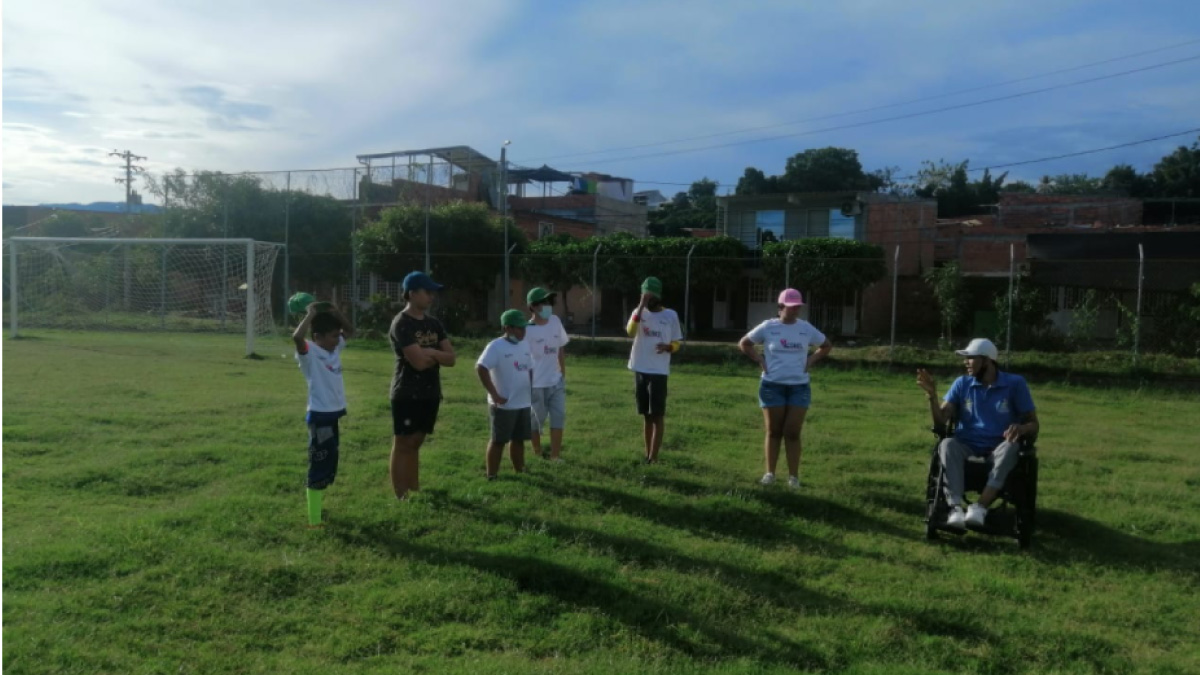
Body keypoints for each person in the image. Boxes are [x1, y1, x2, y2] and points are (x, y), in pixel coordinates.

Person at [916, 338, 1039, 529]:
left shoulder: (1015, 384)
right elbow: (941, 421)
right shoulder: (962, 384)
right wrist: (932, 397)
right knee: (947, 444)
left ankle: (980, 507)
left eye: (970, 358)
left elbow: (1033, 424)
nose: (966, 362)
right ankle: (955, 508)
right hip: (967, 443)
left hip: (999, 446)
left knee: (1010, 448)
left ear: (987, 361)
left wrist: (1021, 428)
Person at [738, 289, 832, 489]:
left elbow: (826, 345)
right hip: (772, 385)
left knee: (792, 431)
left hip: (799, 386)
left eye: (798, 306)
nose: (796, 309)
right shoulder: (768, 327)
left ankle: (793, 477)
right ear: (781, 307)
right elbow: (745, 344)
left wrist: (811, 360)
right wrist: (759, 359)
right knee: (773, 431)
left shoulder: (805, 328)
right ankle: (770, 473)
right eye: (791, 306)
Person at [388, 271, 456, 500]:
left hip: (430, 392)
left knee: (416, 442)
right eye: (427, 292)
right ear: (412, 293)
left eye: (433, 292)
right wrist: (435, 356)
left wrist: (432, 352)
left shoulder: (433, 323)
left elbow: (451, 358)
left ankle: (414, 489)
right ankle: (401, 495)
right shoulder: (401, 323)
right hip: (407, 393)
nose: (432, 297)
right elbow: (418, 363)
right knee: (403, 443)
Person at [292, 302, 355, 528]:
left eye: (338, 336)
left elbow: (351, 331)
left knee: (329, 460)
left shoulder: (334, 348)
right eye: (332, 336)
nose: (337, 340)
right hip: (320, 418)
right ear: (317, 337)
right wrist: (311, 314)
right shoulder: (310, 353)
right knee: (318, 464)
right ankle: (314, 518)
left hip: (333, 416)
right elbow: (297, 337)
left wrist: (337, 312)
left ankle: (318, 510)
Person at [627, 276, 682, 464]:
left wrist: (669, 347)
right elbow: (630, 332)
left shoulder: (671, 316)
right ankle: (646, 453)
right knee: (646, 415)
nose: (648, 301)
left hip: (659, 371)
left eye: (650, 298)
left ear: (658, 297)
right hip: (641, 368)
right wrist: (641, 306)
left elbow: (677, 342)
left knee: (657, 414)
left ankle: (654, 456)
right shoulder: (639, 312)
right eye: (645, 297)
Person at [476, 309, 534, 479]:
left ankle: (520, 470)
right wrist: (494, 394)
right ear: (507, 328)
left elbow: (529, 368)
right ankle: (492, 475)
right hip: (504, 403)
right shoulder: (496, 347)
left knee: (519, 439)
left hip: (523, 402)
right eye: (519, 328)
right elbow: (481, 368)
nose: (523, 332)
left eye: (524, 328)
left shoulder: (525, 344)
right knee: (498, 440)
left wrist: (532, 389)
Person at [525, 287, 569, 462]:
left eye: (549, 302)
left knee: (558, 416)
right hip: (536, 383)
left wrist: (562, 372)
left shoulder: (556, 321)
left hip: (555, 380)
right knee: (536, 421)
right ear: (533, 307)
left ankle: (555, 455)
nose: (548, 306)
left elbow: (560, 347)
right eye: (543, 303)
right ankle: (537, 452)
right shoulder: (527, 329)